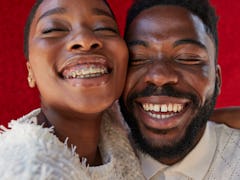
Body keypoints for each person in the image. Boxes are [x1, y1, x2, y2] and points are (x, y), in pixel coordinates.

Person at [0, 0, 145, 179]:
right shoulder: (23, 169)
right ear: (30, 72)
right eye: (53, 29)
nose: (85, 40)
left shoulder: (130, 132)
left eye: (104, 28)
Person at [119, 0, 240, 179]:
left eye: (187, 58)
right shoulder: (89, 161)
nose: (159, 76)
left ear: (217, 81)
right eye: (137, 59)